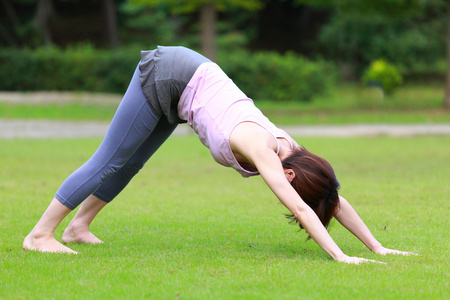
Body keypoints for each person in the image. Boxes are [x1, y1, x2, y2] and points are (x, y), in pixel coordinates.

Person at [23, 46, 414, 263]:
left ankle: (78, 227)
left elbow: (333, 197)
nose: (299, 199)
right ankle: (40, 234)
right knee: (109, 160)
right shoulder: (264, 150)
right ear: (291, 177)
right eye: (298, 191)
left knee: (131, 165)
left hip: (186, 88)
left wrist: (376, 247)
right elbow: (301, 208)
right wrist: (341, 258)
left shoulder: (294, 153)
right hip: (170, 72)